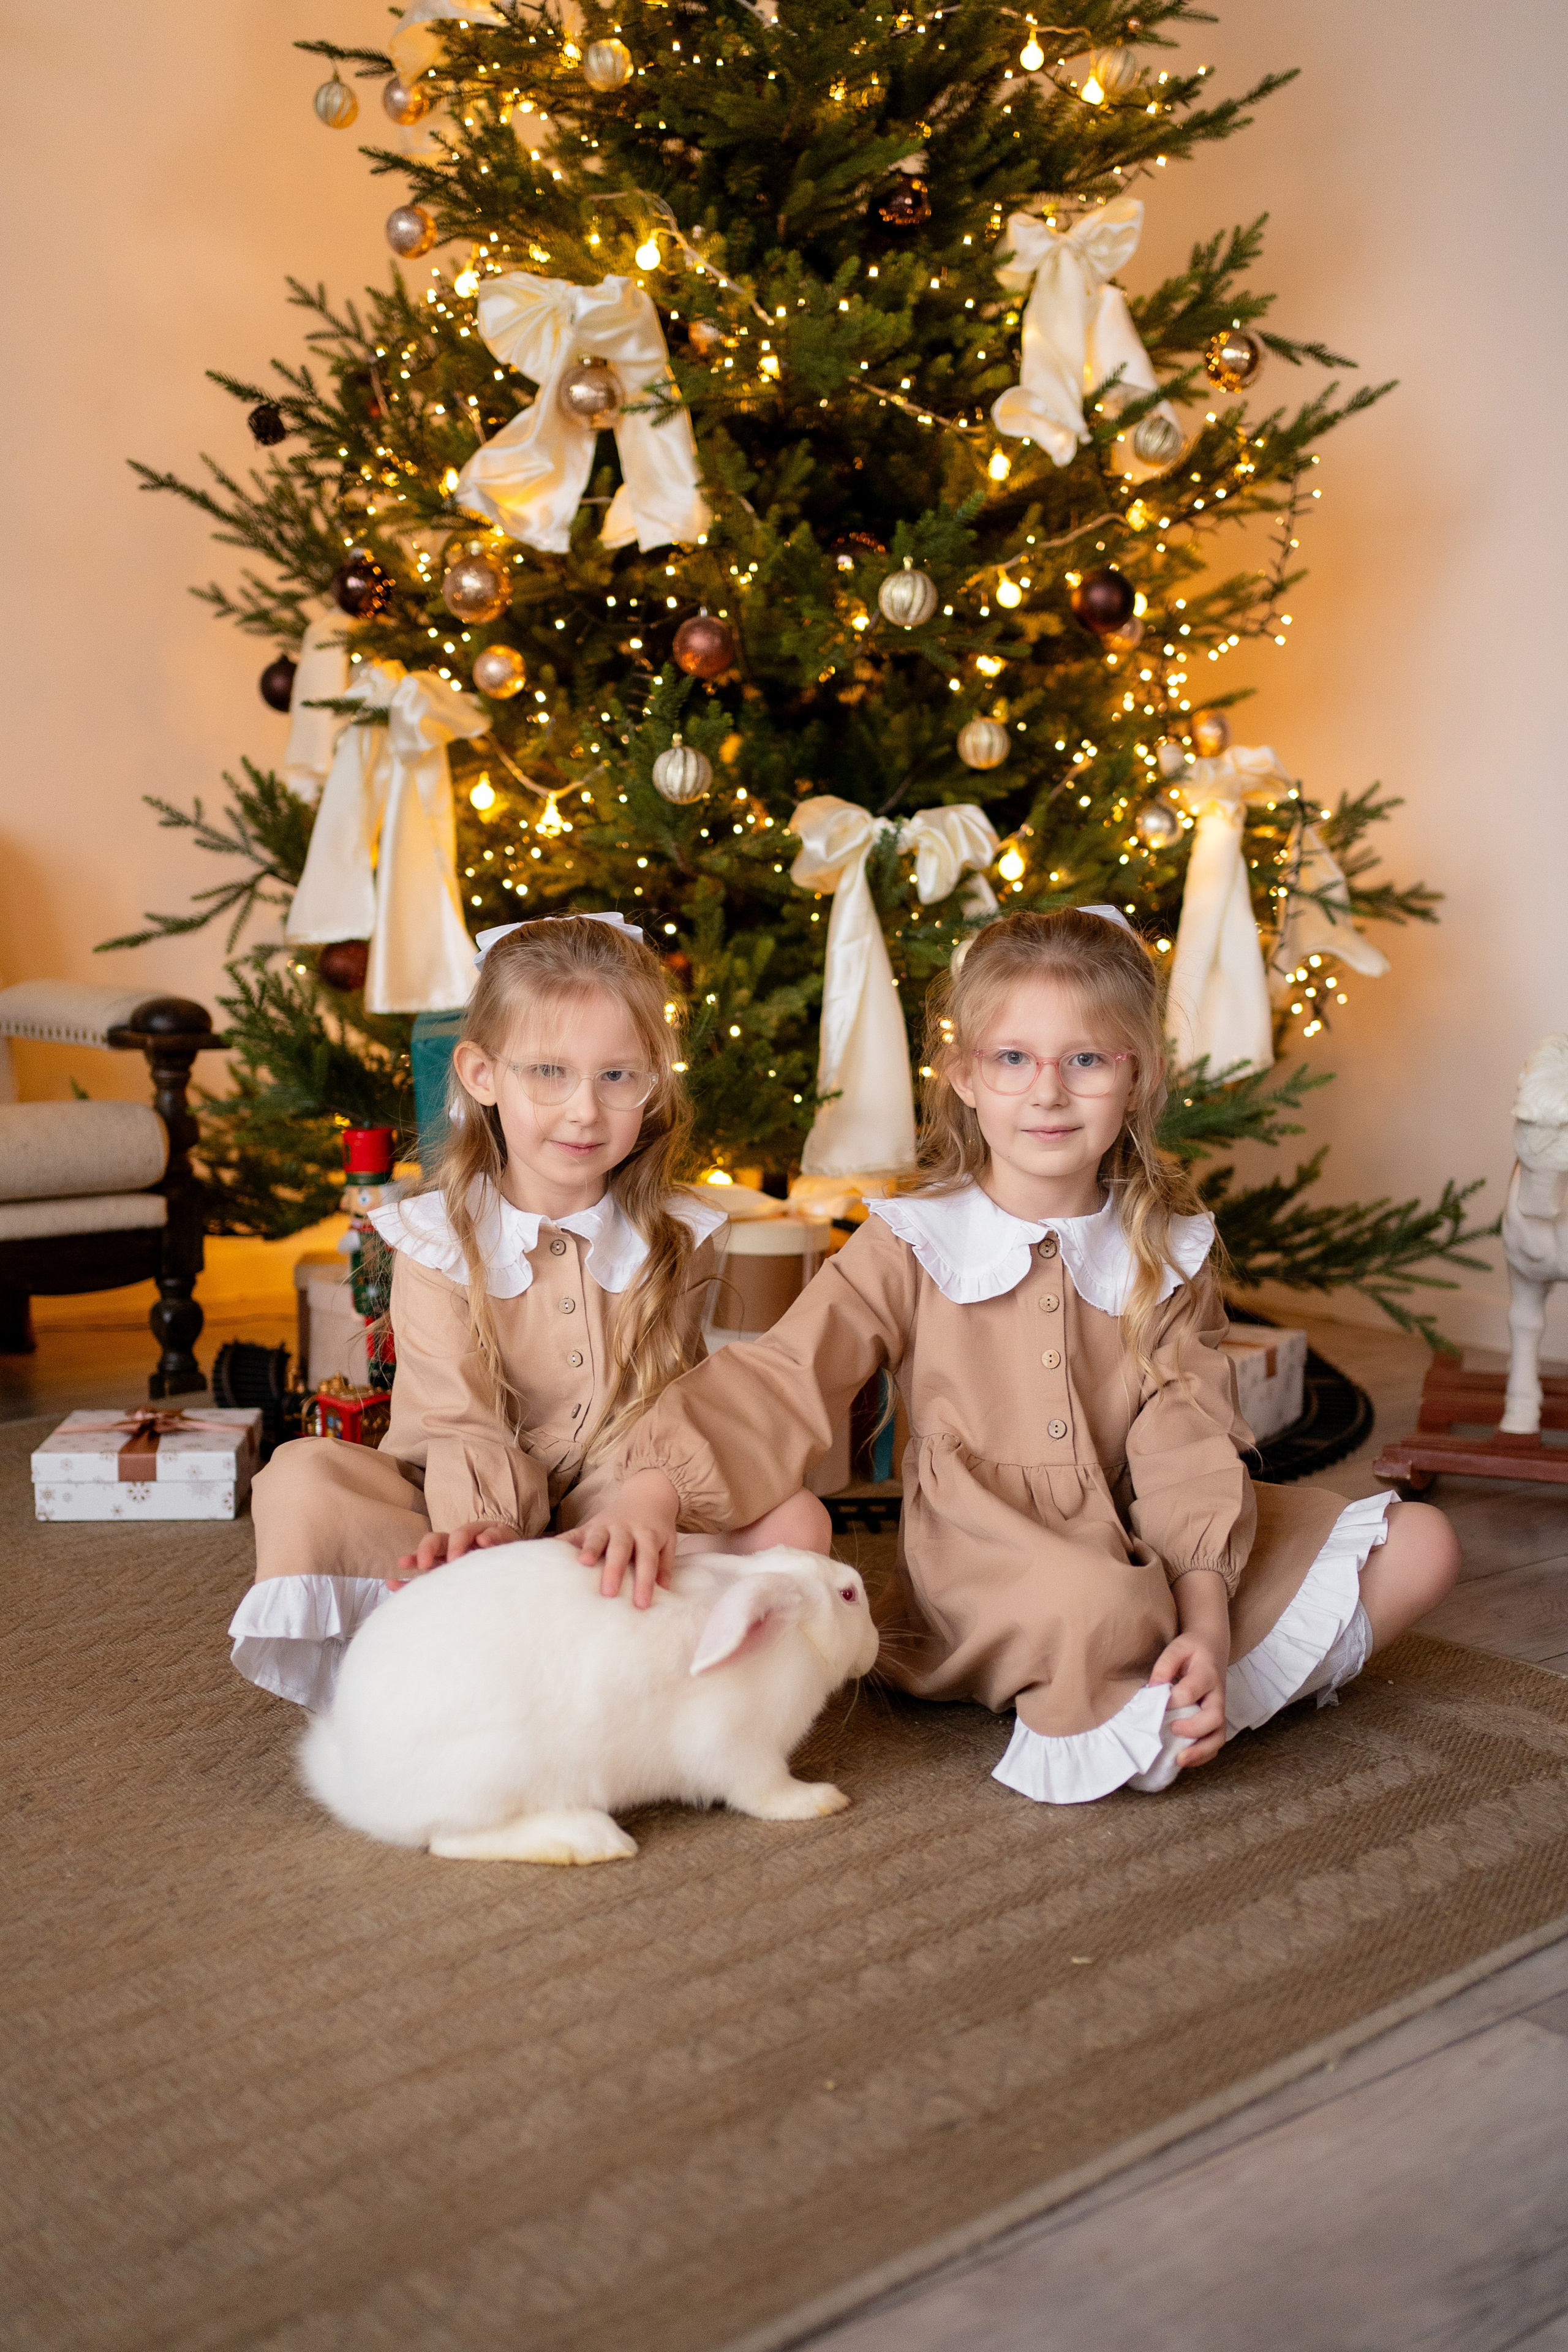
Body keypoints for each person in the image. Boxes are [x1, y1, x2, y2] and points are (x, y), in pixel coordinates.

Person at [575, 907, 1460, 1803]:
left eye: (1085, 1060)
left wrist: (1207, 1613)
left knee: (1420, 1542)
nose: (1048, 1093)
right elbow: (784, 1378)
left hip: (1149, 1529)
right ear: (963, 1074)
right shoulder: (914, 1242)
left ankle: (1187, 1684)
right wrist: (658, 1485)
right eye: (1012, 1059)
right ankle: (1148, 1694)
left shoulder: (1167, 1251)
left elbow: (1187, 1451)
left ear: (1139, 1076)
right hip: (990, 1552)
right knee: (1105, 1607)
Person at [228, 912, 827, 1710]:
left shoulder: (675, 1233)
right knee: (299, 1478)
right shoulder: (438, 1239)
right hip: (452, 1500)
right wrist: (488, 1532)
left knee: (796, 1522)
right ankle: (509, 1634)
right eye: (549, 1072)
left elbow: (674, 1402)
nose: (585, 1111)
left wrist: (643, 1501)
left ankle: (637, 1673)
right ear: (483, 1076)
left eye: (617, 1077)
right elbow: (458, 1421)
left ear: (654, 1082)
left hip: (606, 1506)